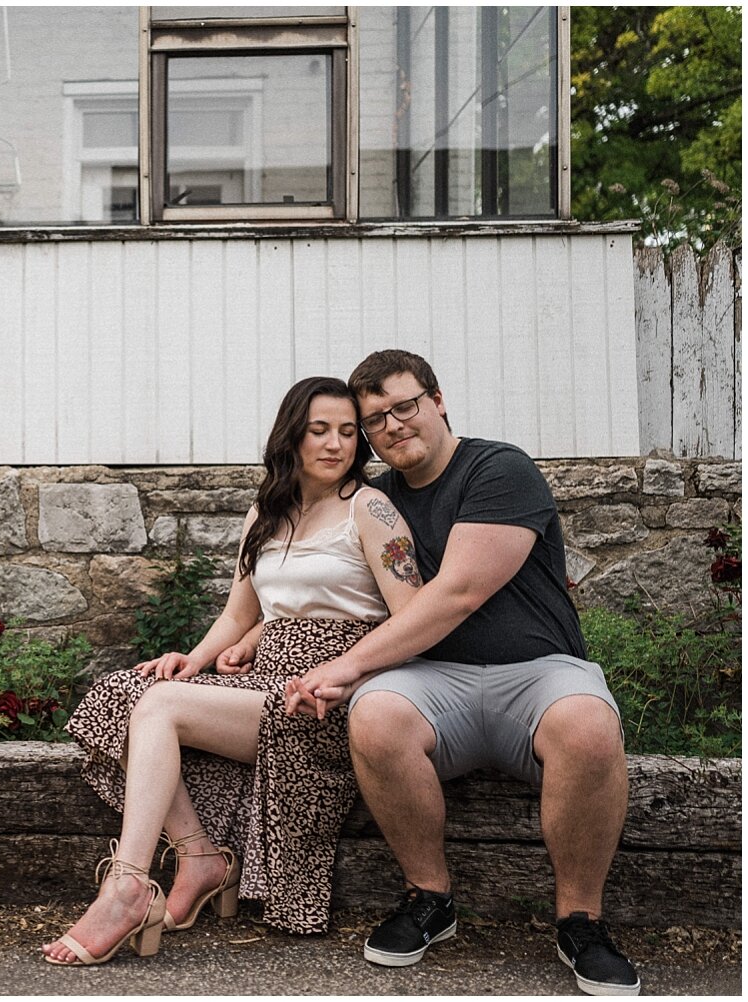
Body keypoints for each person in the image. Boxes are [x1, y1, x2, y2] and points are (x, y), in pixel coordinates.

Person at [286, 349, 640, 996]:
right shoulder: (374, 498)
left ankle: (580, 920)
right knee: (376, 714)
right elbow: (313, 576)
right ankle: (429, 898)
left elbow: (457, 594)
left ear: (438, 399)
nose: (391, 426)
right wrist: (244, 640)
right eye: (374, 420)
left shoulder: (498, 469)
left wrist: (344, 667)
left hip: (536, 673)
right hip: (433, 681)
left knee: (589, 725)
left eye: (404, 406)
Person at [41, 376, 423, 966]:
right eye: (319, 430)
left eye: (348, 432)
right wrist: (190, 660)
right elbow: (239, 613)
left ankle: (126, 888)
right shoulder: (267, 513)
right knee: (131, 691)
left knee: (162, 708)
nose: (335, 444)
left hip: (329, 697)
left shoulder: (369, 509)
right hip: (266, 679)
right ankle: (199, 857)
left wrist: (343, 673)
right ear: (292, 437)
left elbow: (411, 618)